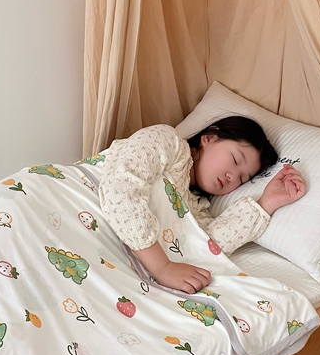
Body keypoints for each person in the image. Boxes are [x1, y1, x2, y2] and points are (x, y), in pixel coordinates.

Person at [98, 117, 307, 294]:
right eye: (235, 160)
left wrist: (267, 202)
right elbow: (120, 188)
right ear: (209, 138)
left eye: (242, 179)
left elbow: (206, 246)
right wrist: (163, 268)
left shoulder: (196, 208)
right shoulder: (166, 141)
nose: (232, 177)